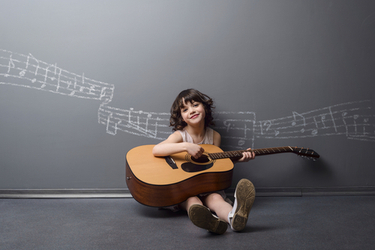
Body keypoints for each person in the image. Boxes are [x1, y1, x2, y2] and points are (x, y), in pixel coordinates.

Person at [152, 89, 256, 234]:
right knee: (193, 201)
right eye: (185, 109)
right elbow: (156, 150)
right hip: (184, 187)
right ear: (181, 117)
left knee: (216, 198)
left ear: (204, 108)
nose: (191, 111)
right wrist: (186, 146)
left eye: (195, 105)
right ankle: (208, 220)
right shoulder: (180, 136)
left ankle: (233, 218)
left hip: (205, 184)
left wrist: (238, 160)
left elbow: (213, 164)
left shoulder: (214, 137)